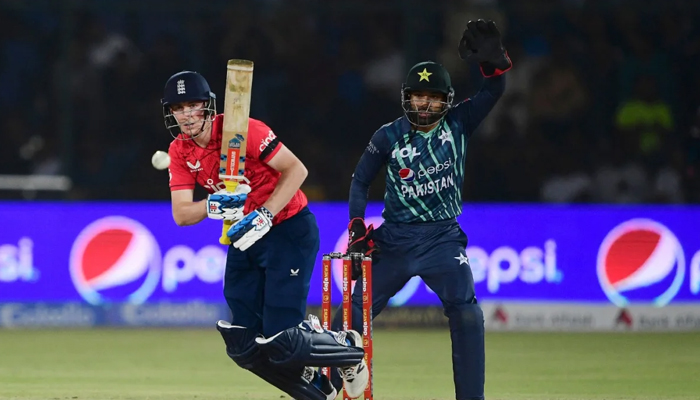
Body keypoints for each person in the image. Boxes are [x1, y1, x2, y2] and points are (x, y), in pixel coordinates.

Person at [331, 20, 512, 400]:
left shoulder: (460, 122)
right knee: (349, 316)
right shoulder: (388, 135)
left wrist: (493, 61)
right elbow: (360, 181)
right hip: (394, 241)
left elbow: (494, 88)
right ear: (406, 97)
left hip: (443, 241)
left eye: (432, 97)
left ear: (446, 99)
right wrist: (356, 226)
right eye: (417, 96)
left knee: (467, 315)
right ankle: (328, 388)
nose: (424, 104)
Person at [162, 70, 368, 400]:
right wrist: (213, 205)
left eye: (193, 105)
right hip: (245, 238)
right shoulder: (180, 151)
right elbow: (182, 214)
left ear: (207, 106)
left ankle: (347, 349)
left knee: (282, 339)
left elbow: (297, 169)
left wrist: (266, 213)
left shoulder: (242, 130)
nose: (186, 115)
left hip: (288, 228)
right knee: (242, 344)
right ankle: (317, 389)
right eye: (178, 107)